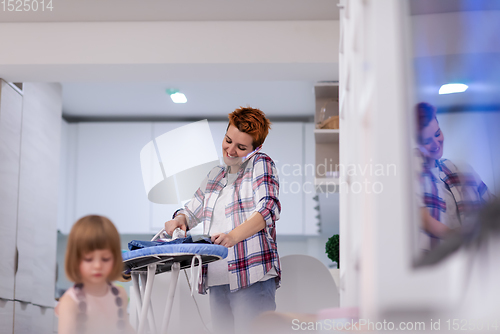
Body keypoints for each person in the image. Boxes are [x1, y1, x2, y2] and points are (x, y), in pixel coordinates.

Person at [164, 107, 281, 334]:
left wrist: (232, 236)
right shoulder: (215, 175)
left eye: (241, 147)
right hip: (217, 278)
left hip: (250, 275)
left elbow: (269, 208)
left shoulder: (260, 163)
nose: (231, 150)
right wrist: (179, 219)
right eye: (228, 141)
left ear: (256, 148)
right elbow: (191, 211)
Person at [415, 102, 495, 249]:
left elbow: (492, 207)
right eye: (427, 141)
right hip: (435, 263)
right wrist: (459, 237)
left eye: (438, 133)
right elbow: (420, 216)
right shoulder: (414, 174)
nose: (436, 144)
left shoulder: (460, 171)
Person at [56, 215, 134, 334]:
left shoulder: (120, 295)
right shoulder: (70, 301)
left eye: (105, 259)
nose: (98, 265)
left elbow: (126, 329)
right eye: (88, 259)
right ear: (75, 260)